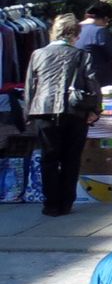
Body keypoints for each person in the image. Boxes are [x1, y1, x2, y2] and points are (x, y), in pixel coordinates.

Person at [25, 12, 99, 217]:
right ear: (75, 34)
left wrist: (28, 114)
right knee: (71, 159)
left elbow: (30, 86)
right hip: (74, 112)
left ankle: (51, 204)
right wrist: (94, 110)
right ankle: (66, 203)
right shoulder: (82, 55)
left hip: (43, 111)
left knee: (49, 158)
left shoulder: (38, 54)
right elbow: (92, 84)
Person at [77, 2, 112, 88]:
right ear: (105, 18)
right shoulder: (99, 31)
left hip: (75, 77)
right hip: (95, 79)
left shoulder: (73, 29)